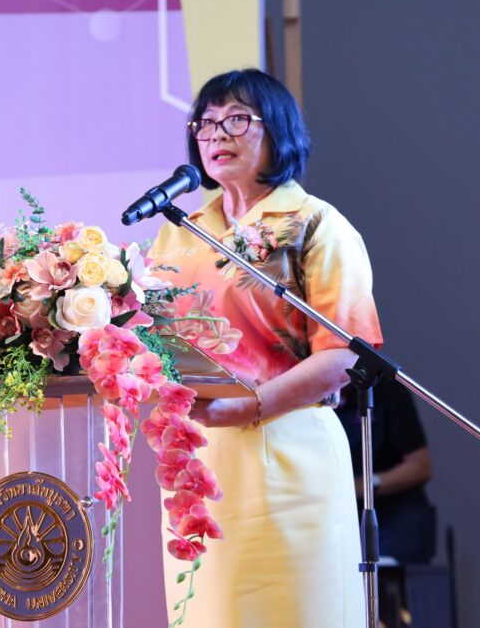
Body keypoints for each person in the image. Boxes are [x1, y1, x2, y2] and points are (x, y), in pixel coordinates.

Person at [149, 68, 382, 628]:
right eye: (205, 123)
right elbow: (153, 338)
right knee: (211, 613)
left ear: (278, 129)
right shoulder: (179, 231)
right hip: (198, 455)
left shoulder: (316, 225)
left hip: (288, 447)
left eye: (236, 120)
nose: (216, 134)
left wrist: (251, 406)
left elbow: (342, 354)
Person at [336, 380, 436, 565]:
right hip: (344, 520)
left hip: (396, 520)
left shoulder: (388, 392)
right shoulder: (314, 401)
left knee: (388, 577)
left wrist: (365, 485)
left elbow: (420, 466)